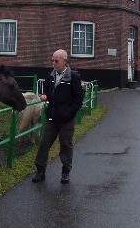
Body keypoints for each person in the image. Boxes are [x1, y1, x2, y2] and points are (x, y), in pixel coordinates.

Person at [32, 49, 83, 184]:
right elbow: (47, 90)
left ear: (65, 61)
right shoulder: (50, 76)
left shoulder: (73, 77)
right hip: (52, 117)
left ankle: (65, 172)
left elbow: (79, 98)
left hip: (66, 119)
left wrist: (70, 113)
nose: (53, 63)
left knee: (65, 145)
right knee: (44, 144)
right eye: (52, 60)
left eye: (56, 61)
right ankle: (40, 171)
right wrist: (44, 95)